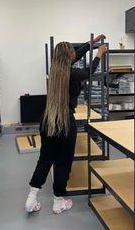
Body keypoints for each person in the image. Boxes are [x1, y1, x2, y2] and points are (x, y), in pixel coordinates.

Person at [25, 35, 107, 214]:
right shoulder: (73, 73)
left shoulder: (55, 69)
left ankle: (31, 198)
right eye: (72, 53)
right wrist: (99, 54)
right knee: (62, 163)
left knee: (45, 159)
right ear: (68, 56)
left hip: (47, 120)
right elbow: (89, 72)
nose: (74, 56)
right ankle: (58, 201)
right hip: (64, 122)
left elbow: (76, 55)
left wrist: (91, 44)